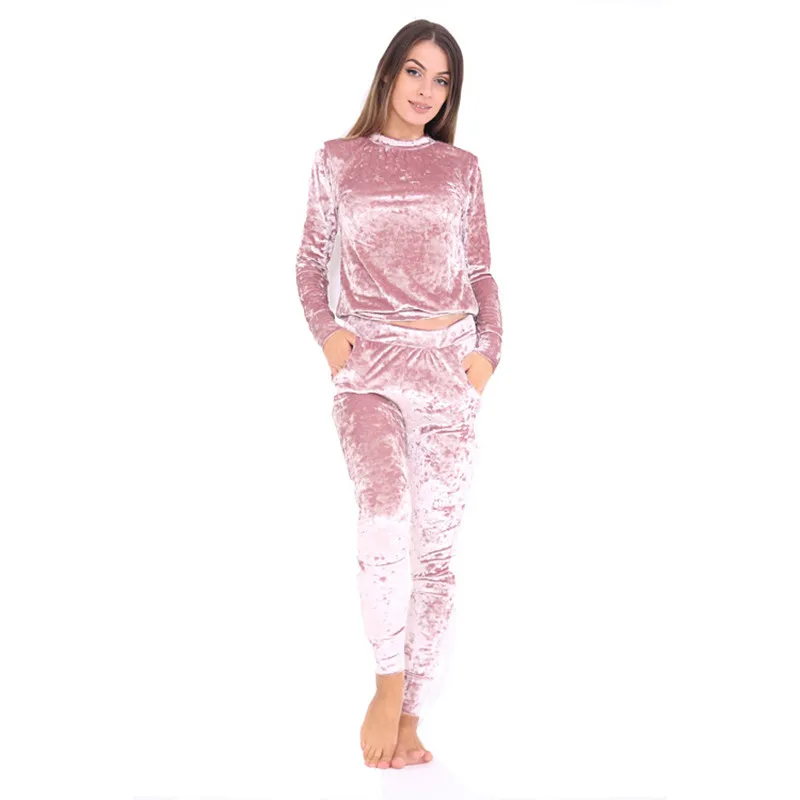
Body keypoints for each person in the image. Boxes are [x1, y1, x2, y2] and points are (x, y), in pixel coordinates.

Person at [295, 19, 503, 771]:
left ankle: (412, 718)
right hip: (371, 369)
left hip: (447, 369)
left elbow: (481, 271)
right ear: (388, 73)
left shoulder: (460, 168)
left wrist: (486, 355)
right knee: (384, 514)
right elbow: (310, 261)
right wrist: (328, 334)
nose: (426, 90)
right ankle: (385, 688)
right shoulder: (338, 159)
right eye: (415, 71)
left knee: (436, 554)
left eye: (441, 80)